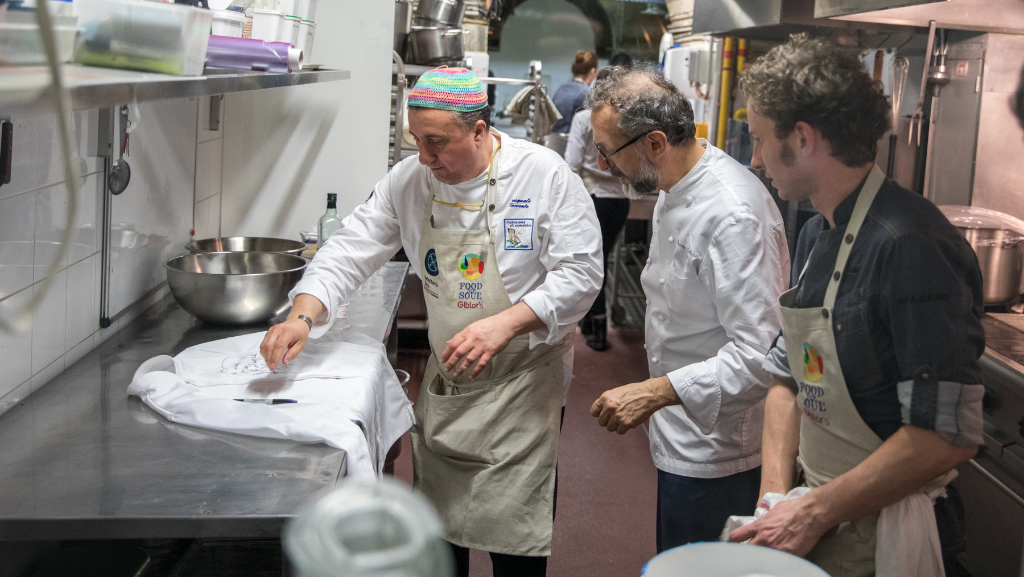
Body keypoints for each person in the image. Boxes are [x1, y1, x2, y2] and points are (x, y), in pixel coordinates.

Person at [260, 68, 603, 577]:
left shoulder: (544, 176)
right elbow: (351, 248)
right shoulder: (410, 180)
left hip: (524, 384)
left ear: (480, 131)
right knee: (441, 537)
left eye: (436, 142)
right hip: (451, 379)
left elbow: (581, 273)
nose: (424, 157)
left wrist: (505, 324)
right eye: (417, 140)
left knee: (515, 539)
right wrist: (302, 314)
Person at [728, 35, 984, 577]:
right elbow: (787, 377)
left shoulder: (911, 245)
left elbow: (945, 435)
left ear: (803, 138)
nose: (755, 159)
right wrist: (775, 501)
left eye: (761, 140)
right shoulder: (818, 232)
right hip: (820, 516)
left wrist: (813, 512)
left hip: (893, 534)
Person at [587, 64, 790, 551]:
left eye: (608, 151)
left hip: (720, 450)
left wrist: (656, 391)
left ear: (655, 143)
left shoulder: (733, 215)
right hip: (680, 432)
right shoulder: (673, 183)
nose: (603, 164)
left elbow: (761, 356)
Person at [564, 68, 630, 351]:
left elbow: (571, 163)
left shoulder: (584, 119)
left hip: (592, 198)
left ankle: (597, 325)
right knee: (602, 261)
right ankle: (591, 323)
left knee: (590, 262)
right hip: (620, 201)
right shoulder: (627, 121)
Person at [551, 50, 598, 133]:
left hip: (553, 137)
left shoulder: (561, 89)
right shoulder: (585, 94)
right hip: (570, 139)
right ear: (592, 71)